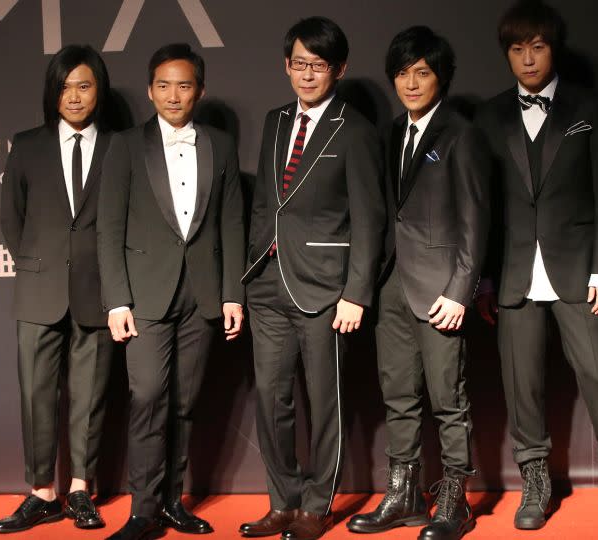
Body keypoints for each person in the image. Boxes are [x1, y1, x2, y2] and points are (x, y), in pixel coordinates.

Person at [473, 1, 598, 534]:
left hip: (580, 270)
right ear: (506, 55)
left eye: (537, 46)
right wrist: (483, 278)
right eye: (517, 48)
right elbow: (482, 207)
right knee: (522, 383)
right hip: (511, 274)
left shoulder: (590, 107)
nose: (527, 58)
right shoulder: (489, 116)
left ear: (553, 49)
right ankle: (535, 482)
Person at [238, 16, 386, 540]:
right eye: (298, 64)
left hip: (326, 289)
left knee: (326, 404)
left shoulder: (358, 130)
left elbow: (370, 218)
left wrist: (356, 291)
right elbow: (263, 205)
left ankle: (317, 506)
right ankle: (283, 501)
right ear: (286, 65)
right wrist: (246, 276)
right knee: (270, 398)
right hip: (267, 284)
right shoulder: (277, 121)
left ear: (338, 69)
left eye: (317, 66)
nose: (306, 75)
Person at [346, 26, 491, 540]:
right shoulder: (389, 133)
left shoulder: (461, 133)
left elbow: (476, 219)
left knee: (448, 397)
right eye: (403, 73)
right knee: (398, 394)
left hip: (440, 289)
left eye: (422, 72)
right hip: (390, 285)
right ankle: (405, 494)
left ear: (441, 78)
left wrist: (461, 289)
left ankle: (455, 499)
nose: (411, 83)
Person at [97, 43, 245, 540]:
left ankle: (172, 503)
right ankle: (142, 511)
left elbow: (231, 222)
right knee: (148, 397)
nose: (173, 94)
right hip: (144, 296)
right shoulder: (124, 144)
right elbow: (109, 226)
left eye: (184, 85)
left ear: (199, 90)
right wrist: (116, 299)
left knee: (184, 403)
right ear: (149, 90)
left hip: (201, 295)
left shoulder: (221, 144)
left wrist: (232, 295)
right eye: (163, 85)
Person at [0, 44, 113, 533]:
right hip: (38, 290)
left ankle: (81, 490)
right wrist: (39, 264)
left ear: (98, 90)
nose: (74, 96)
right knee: (36, 393)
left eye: (84, 85)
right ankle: (41, 493)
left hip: (100, 290)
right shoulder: (26, 145)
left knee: (90, 396)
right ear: (52, 92)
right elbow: (11, 219)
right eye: (65, 87)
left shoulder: (119, 146)